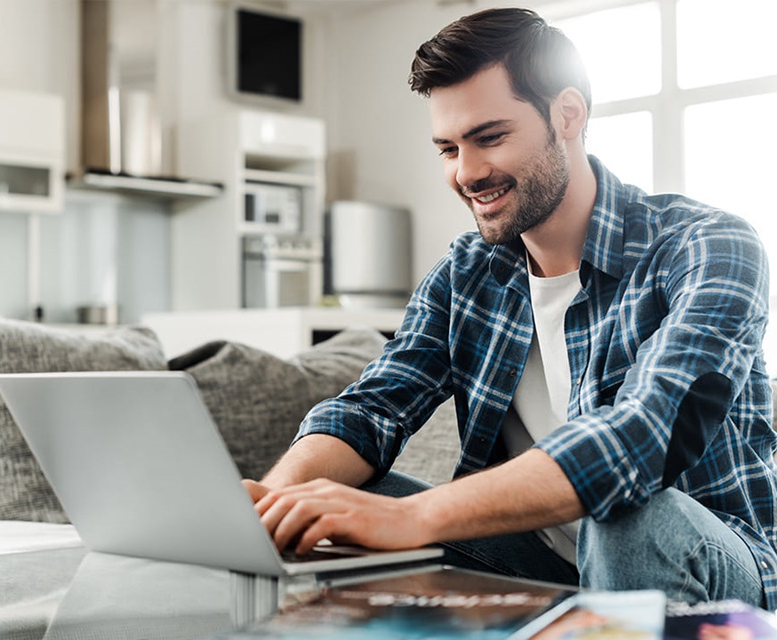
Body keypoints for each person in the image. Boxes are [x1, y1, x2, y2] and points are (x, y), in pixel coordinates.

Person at [243, 7, 776, 610]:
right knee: (335, 506)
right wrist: (271, 504)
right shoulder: (467, 273)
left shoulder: (705, 245)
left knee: (629, 517)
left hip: (708, 565)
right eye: (448, 148)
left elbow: (640, 438)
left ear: (567, 115)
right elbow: (372, 408)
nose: (467, 173)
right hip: (539, 562)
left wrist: (419, 519)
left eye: (489, 137)